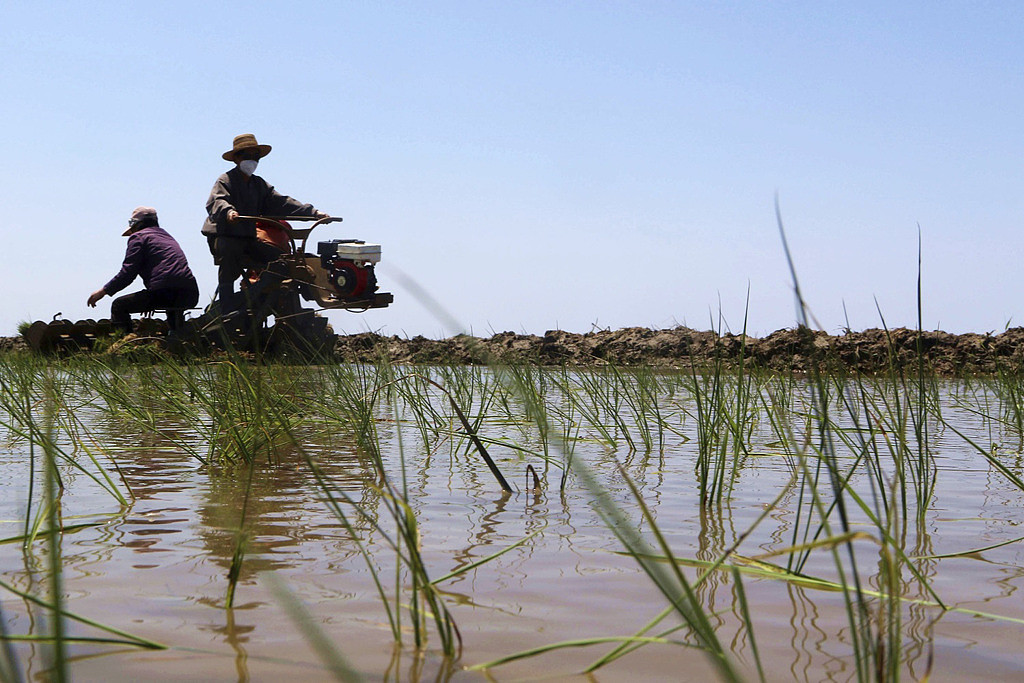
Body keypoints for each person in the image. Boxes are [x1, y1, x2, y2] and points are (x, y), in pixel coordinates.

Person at [201, 133, 328, 307]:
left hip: (249, 238)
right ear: (237, 158)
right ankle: (227, 305)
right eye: (247, 156)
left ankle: (271, 297)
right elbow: (218, 201)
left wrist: (313, 213)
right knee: (231, 253)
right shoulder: (225, 180)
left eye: (256, 156)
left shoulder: (259, 185)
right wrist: (229, 212)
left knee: (283, 261)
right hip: (225, 235)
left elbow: (282, 203)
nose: (252, 160)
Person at [88, 207, 200, 334]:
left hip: (164, 292)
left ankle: (125, 347)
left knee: (119, 305)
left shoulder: (138, 237)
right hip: (190, 293)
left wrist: (103, 291)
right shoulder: (166, 237)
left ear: (137, 225)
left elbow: (128, 273)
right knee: (174, 314)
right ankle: (177, 340)